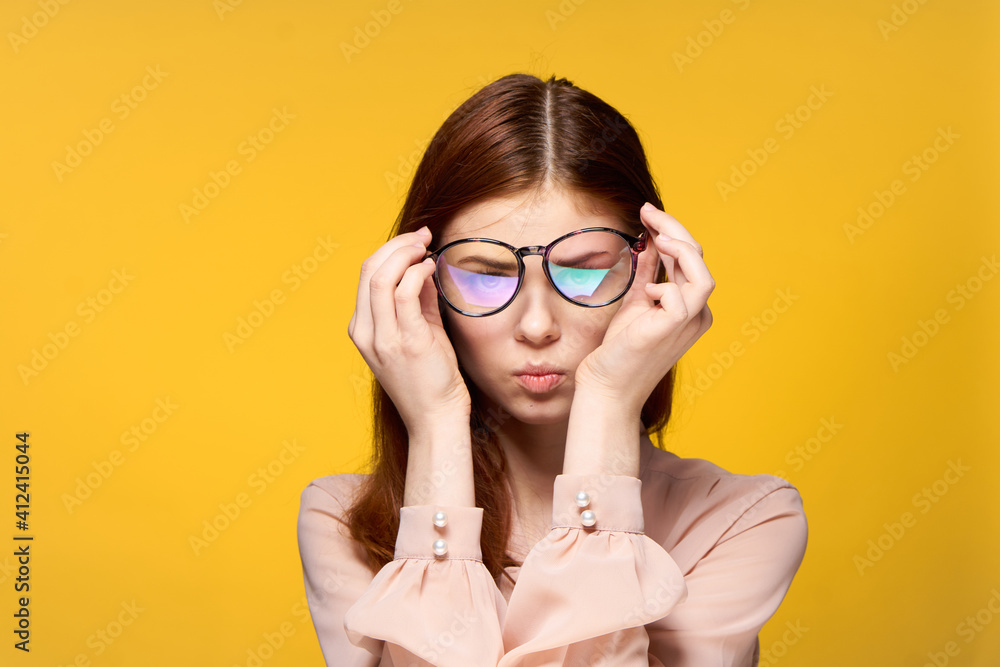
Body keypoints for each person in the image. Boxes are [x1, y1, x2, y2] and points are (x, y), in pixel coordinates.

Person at [296, 73, 808, 666]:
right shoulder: (341, 523)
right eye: (485, 276)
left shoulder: (740, 521)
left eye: (584, 272)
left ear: (652, 272)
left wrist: (609, 398)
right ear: (420, 284)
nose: (537, 325)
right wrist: (436, 423)